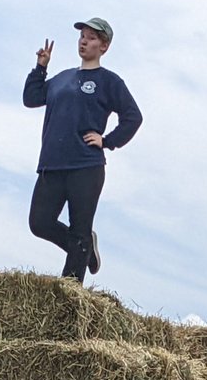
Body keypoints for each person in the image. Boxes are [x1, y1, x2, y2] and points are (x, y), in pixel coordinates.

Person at [23, 16, 142, 283]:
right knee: (39, 223)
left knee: (79, 230)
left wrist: (108, 140)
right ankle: (85, 248)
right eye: (82, 36)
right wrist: (40, 68)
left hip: (86, 166)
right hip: (51, 165)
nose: (84, 40)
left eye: (91, 37)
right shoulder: (61, 79)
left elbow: (133, 117)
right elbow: (31, 99)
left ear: (104, 46)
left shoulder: (109, 81)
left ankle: (70, 294)